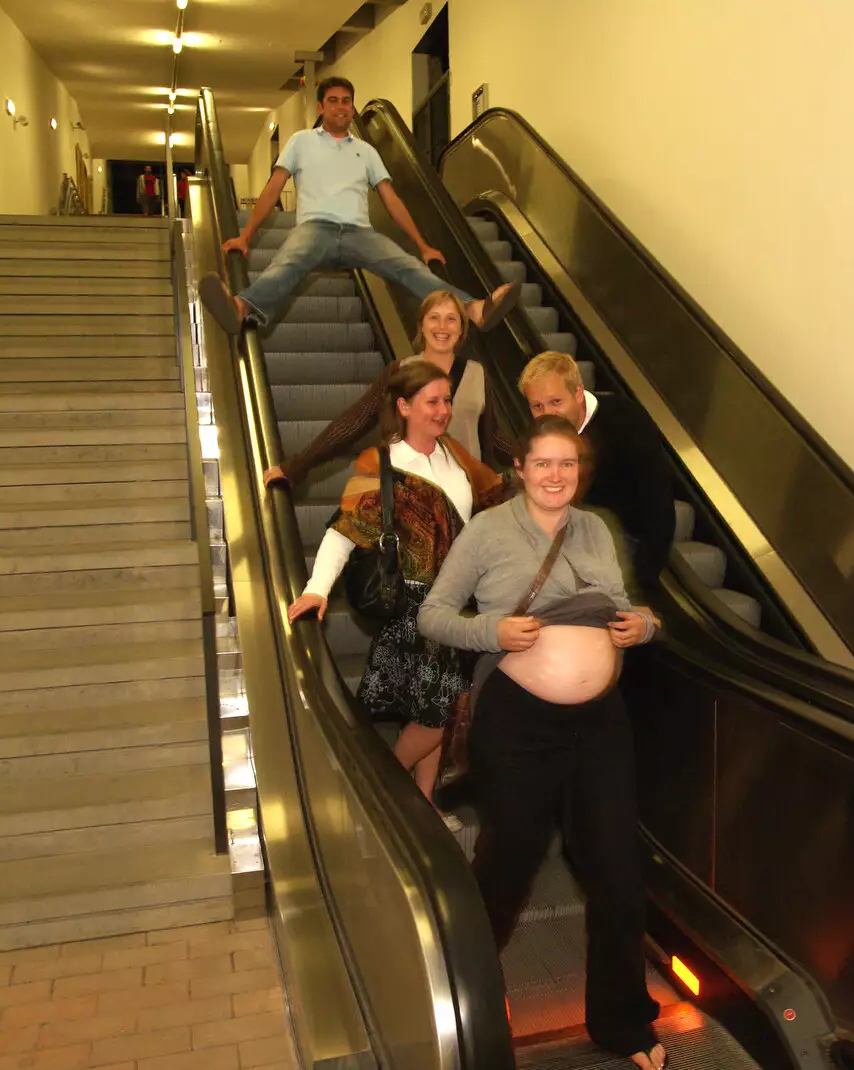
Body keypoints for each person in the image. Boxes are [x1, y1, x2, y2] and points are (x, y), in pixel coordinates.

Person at [417, 415, 666, 1070]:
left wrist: (638, 626)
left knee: (616, 869)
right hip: (519, 723)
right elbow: (434, 614)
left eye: (568, 465)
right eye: (544, 464)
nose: (557, 476)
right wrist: (495, 632)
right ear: (520, 470)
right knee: (509, 861)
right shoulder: (489, 531)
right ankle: (464, 996)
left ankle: (623, 1024)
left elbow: (621, 604)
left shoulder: (597, 528)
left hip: (601, 723)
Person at [286, 362, 507, 824]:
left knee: (432, 707)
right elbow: (344, 532)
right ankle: (376, 789)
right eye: (433, 402)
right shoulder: (379, 462)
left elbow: (497, 501)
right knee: (440, 708)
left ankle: (420, 806)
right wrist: (317, 589)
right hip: (415, 607)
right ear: (404, 407)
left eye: (447, 400)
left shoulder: (456, 456)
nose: (444, 410)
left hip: (458, 602)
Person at [197, 76, 520, 337]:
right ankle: (240, 308)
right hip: (315, 228)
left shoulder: (366, 152)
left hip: (360, 233)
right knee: (288, 262)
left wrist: (422, 245)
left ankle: (473, 309)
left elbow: (391, 199)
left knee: (408, 268)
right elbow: (273, 189)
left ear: (352, 108)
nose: (341, 107)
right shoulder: (301, 142)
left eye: (346, 101)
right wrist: (246, 235)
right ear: (321, 106)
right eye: (333, 100)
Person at [264, 289, 516, 489]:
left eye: (451, 319)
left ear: (462, 329)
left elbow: (491, 435)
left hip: (465, 495)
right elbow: (354, 422)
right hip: (411, 495)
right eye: (434, 318)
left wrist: (535, 460)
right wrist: (297, 466)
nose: (442, 327)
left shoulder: (477, 374)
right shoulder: (400, 372)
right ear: (421, 325)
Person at [519, 351, 676, 593]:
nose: (547, 413)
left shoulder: (625, 420)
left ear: (578, 393)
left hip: (623, 545)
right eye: (537, 406)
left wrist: (644, 585)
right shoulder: (541, 433)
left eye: (556, 402)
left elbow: (659, 503)